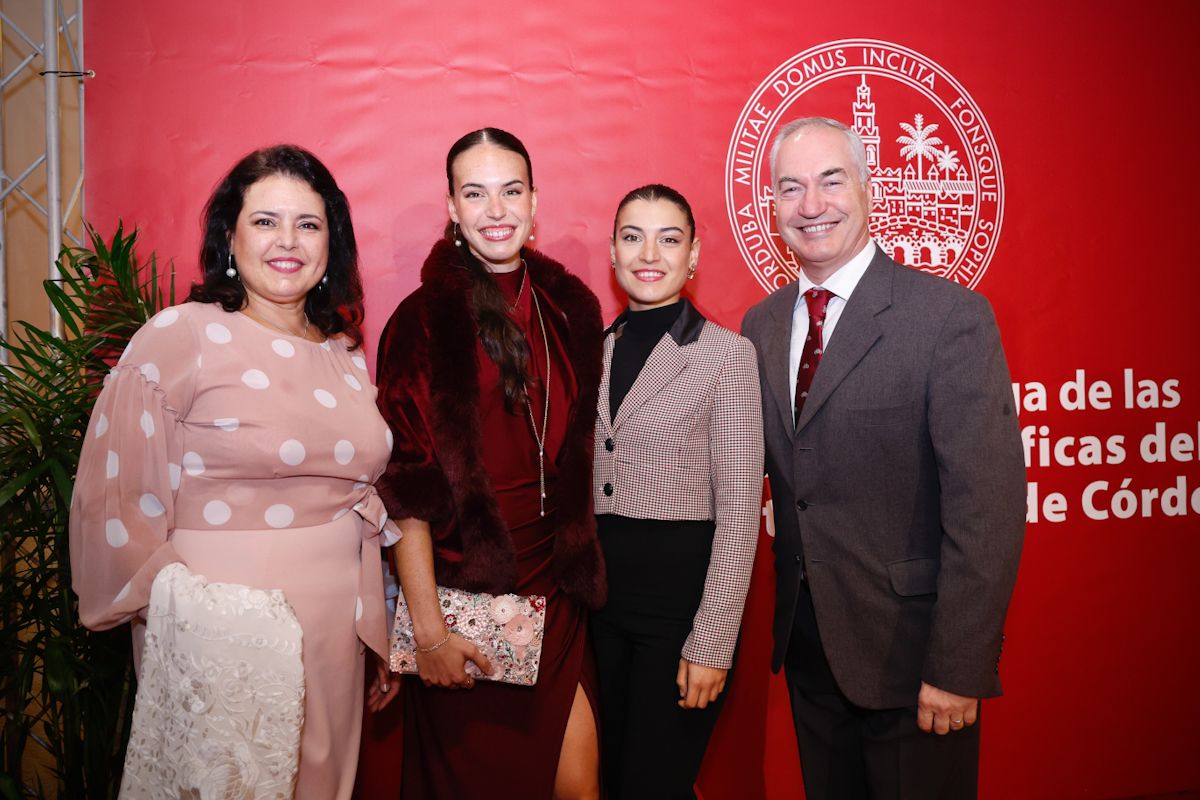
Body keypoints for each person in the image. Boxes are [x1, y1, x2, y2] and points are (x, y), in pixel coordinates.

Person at [69, 144, 397, 799]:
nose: (289, 241)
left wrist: (378, 618)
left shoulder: (343, 354)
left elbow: (366, 499)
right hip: (226, 636)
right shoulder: (180, 334)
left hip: (334, 634)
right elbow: (113, 498)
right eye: (266, 221)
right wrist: (202, 623)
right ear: (229, 236)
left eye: (309, 224)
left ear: (333, 244)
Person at [740, 117, 1026, 799]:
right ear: (772, 206)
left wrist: (959, 667)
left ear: (870, 190)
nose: (812, 205)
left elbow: (987, 509)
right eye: (791, 187)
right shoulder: (762, 324)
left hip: (915, 663)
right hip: (810, 655)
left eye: (831, 180)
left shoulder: (947, 317)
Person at [372, 127, 605, 800]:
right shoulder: (420, 322)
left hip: (556, 596)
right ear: (451, 205)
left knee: (578, 787)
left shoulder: (570, 310)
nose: (496, 210)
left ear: (536, 203)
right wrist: (429, 631)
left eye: (511, 191)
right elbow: (406, 496)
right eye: (475, 193)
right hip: (462, 603)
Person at [590, 185, 763, 799]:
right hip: (595, 611)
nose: (649, 253)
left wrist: (712, 641)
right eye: (633, 236)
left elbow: (742, 515)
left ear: (693, 256)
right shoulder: (594, 350)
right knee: (603, 782)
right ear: (612, 251)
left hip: (679, 611)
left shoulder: (727, 356)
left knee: (652, 786)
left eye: (670, 238)